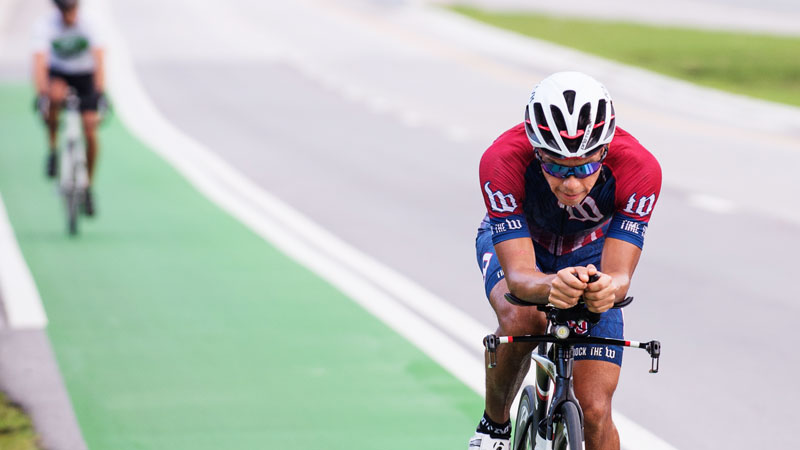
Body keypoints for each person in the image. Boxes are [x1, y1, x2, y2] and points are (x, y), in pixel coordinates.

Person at [469, 71, 661, 450]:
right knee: (525, 316)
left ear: (604, 151)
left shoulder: (640, 168)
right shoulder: (502, 159)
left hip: (591, 252)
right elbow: (522, 276)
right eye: (556, 166)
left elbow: (619, 275)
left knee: (594, 411)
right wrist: (550, 285)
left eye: (585, 167)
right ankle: (493, 428)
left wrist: (607, 289)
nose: (571, 183)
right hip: (522, 242)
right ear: (536, 150)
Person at [32, 0, 105, 215]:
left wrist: (100, 92)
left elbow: (100, 58)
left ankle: (88, 186)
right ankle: (53, 150)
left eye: (72, 10)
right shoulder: (45, 25)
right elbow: (39, 61)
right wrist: (41, 93)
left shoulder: (91, 22)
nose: (69, 17)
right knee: (53, 97)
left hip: (85, 75)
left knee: (90, 129)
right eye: (64, 11)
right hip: (60, 72)